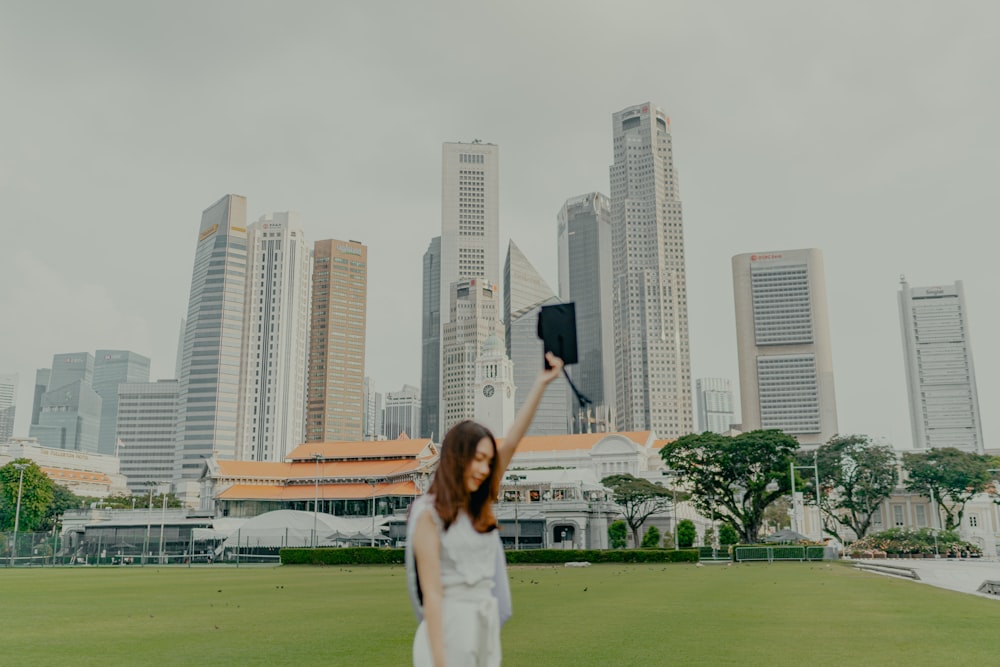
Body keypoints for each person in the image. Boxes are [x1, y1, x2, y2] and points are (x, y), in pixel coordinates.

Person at [406, 352, 564, 667]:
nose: (484, 468)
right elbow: (432, 596)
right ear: (457, 457)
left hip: (484, 628)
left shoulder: (478, 507)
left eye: (489, 462)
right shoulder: (428, 513)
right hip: (448, 631)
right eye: (477, 458)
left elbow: (512, 443)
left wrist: (540, 384)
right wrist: (440, 662)